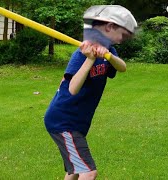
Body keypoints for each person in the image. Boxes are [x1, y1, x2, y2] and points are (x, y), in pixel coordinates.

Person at [44, 5, 137, 180]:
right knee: (88, 172)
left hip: (77, 123)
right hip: (64, 122)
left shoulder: (108, 48)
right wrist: (90, 59)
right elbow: (72, 88)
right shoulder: (81, 54)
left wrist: (108, 55)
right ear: (109, 27)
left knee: (74, 170)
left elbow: (122, 67)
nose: (127, 35)